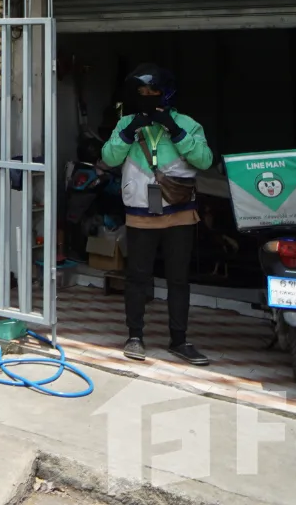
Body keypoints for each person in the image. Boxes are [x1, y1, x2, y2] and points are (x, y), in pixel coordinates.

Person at [101, 64, 214, 366]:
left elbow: (204, 160)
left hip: (180, 213)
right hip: (141, 212)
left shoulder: (188, 124)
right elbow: (108, 157)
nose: (146, 96)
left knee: (178, 279)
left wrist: (174, 130)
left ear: (166, 93)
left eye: (152, 91)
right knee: (137, 277)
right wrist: (128, 132)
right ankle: (135, 336)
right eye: (141, 92)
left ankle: (179, 340)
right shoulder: (127, 122)